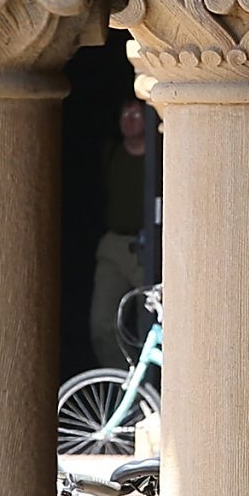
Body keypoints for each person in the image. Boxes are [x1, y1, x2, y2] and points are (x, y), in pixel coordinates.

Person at [89, 98, 150, 364]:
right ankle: (123, 382)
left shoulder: (158, 156)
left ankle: (152, 387)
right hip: (115, 245)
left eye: (136, 114)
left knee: (147, 324)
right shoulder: (112, 153)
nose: (129, 120)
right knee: (103, 323)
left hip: (147, 246)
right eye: (124, 114)